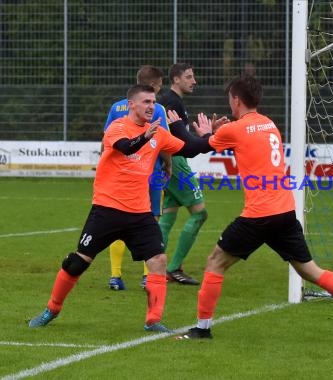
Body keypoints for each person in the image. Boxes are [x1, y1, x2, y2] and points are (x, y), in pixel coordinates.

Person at [177, 75, 333, 342]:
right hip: (284, 211)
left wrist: (179, 126)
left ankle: (201, 330)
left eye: (230, 98)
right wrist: (212, 134)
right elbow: (237, 145)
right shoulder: (269, 125)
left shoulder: (236, 129)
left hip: (258, 214)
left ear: (236, 99)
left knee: (215, 262)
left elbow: (193, 148)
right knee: (310, 270)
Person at [28, 84, 214, 332]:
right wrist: (145, 137)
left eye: (153, 102)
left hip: (140, 213)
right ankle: (52, 309)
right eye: (146, 102)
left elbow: (191, 149)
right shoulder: (116, 128)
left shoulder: (157, 133)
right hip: (107, 210)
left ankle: (153, 320)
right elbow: (127, 146)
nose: (152, 106)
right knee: (77, 262)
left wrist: (210, 137)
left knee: (158, 260)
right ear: (131, 105)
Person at [158, 63, 228, 285]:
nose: (193, 81)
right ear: (175, 79)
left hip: (168, 159)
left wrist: (207, 135)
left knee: (168, 216)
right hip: (175, 161)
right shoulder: (172, 102)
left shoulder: (172, 101)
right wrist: (209, 138)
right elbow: (183, 143)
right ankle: (172, 268)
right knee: (200, 214)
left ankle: (153, 271)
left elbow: (183, 138)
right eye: (188, 77)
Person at [104, 65, 171, 291]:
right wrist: (168, 165)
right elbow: (163, 142)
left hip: (120, 176)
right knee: (150, 222)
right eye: (159, 87)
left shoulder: (116, 107)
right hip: (149, 172)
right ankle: (146, 276)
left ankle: (115, 276)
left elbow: (107, 139)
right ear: (151, 87)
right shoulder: (158, 109)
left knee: (117, 221)